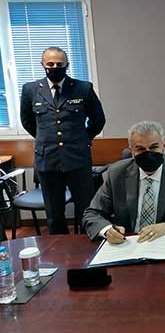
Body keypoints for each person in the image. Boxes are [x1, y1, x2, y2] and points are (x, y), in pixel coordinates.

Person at [20, 47, 105, 234]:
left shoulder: (83, 88)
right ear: (42, 64)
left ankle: (87, 248)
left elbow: (99, 119)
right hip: (47, 160)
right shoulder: (30, 90)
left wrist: (84, 139)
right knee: (54, 215)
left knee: (86, 211)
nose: (54, 67)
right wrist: (45, 139)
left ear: (67, 65)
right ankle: (59, 249)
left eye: (59, 64)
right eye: (50, 64)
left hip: (78, 159)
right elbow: (27, 121)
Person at [82, 121, 165, 243]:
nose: (148, 153)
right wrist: (107, 230)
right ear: (132, 151)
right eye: (140, 149)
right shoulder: (116, 173)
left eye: (154, 147)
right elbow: (92, 213)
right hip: (129, 242)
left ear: (164, 147)